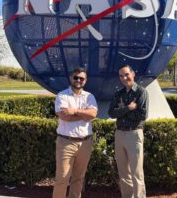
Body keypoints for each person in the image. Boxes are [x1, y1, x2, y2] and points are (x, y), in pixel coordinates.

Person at [52, 67, 98, 198]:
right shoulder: (62, 95)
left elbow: (93, 114)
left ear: (85, 80)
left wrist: (74, 111)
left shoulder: (90, 97)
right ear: (70, 78)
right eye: (76, 77)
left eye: (81, 78)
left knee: (78, 179)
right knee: (62, 179)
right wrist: (84, 114)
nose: (78, 80)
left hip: (85, 143)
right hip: (66, 143)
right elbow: (64, 116)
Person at [108, 65, 149, 198]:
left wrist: (122, 111)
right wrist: (128, 108)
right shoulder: (118, 94)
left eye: (126, 74)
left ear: (133, 74)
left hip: (134, 134)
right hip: (119, 134)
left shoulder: (141, 92)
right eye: (121, 76)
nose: (124, 78)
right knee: (123, 172)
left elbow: (142, 115)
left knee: (136, 172)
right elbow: (111, 113)